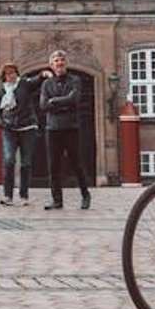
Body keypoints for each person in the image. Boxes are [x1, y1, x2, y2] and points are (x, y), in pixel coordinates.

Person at [39, 50, 90, 210]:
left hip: (70, 127)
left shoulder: (75, 80)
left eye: (61, 60)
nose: (59, 63)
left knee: (76, 163)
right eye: (55, 61)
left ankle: (85, 194)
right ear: (51, 65)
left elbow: (74, 99)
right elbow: (43, 105)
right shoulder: (46, 84)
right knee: (53, 166)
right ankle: (57, 200)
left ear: (65, 63)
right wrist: (62, 103)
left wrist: (54, 101)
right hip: (52, 128)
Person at [0, 63, 44, 206]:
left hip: (27, 127)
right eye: (8, 74)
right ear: (4, 77)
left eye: (13, 73)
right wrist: (1, 123)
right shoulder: (0, 91)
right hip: (9, 129)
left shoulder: (24, 84)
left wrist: (44, 74)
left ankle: (24, 195)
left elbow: (37, 80)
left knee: (25, 162)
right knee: (9, 160)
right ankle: (8, 196)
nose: (12, 75)